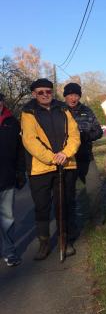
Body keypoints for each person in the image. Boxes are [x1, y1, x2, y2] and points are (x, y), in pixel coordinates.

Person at [21, 78, 80, 260]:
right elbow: (30, 140)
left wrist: (66, 153)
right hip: (40, 169)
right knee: (42, 207)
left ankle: (65, 240)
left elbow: (74, 134)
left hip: (66, 164)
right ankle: (44, 243)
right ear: (34, 94)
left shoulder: (63, 109)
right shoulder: (28, 112)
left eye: (48, 91)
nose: (45, 95)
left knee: (64, 204)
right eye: (41, 92)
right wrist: (52, 158)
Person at [63, 83, 103, 223]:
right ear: (65, 96)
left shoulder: (87, 111)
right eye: (70, 95)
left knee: (95, 187)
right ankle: (69, 222)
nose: (73, 98)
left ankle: (96, 217)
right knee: (68, 193)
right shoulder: (59, 111)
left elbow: (98, 131)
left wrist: (87, 136)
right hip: (67, 159)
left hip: (86, 156)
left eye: (76, 95)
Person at [0, 93, 26, 266]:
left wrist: (20, 172)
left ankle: (9, 252)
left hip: (7, 178)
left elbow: (20, 151)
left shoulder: (12, 123)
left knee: (7, 218)